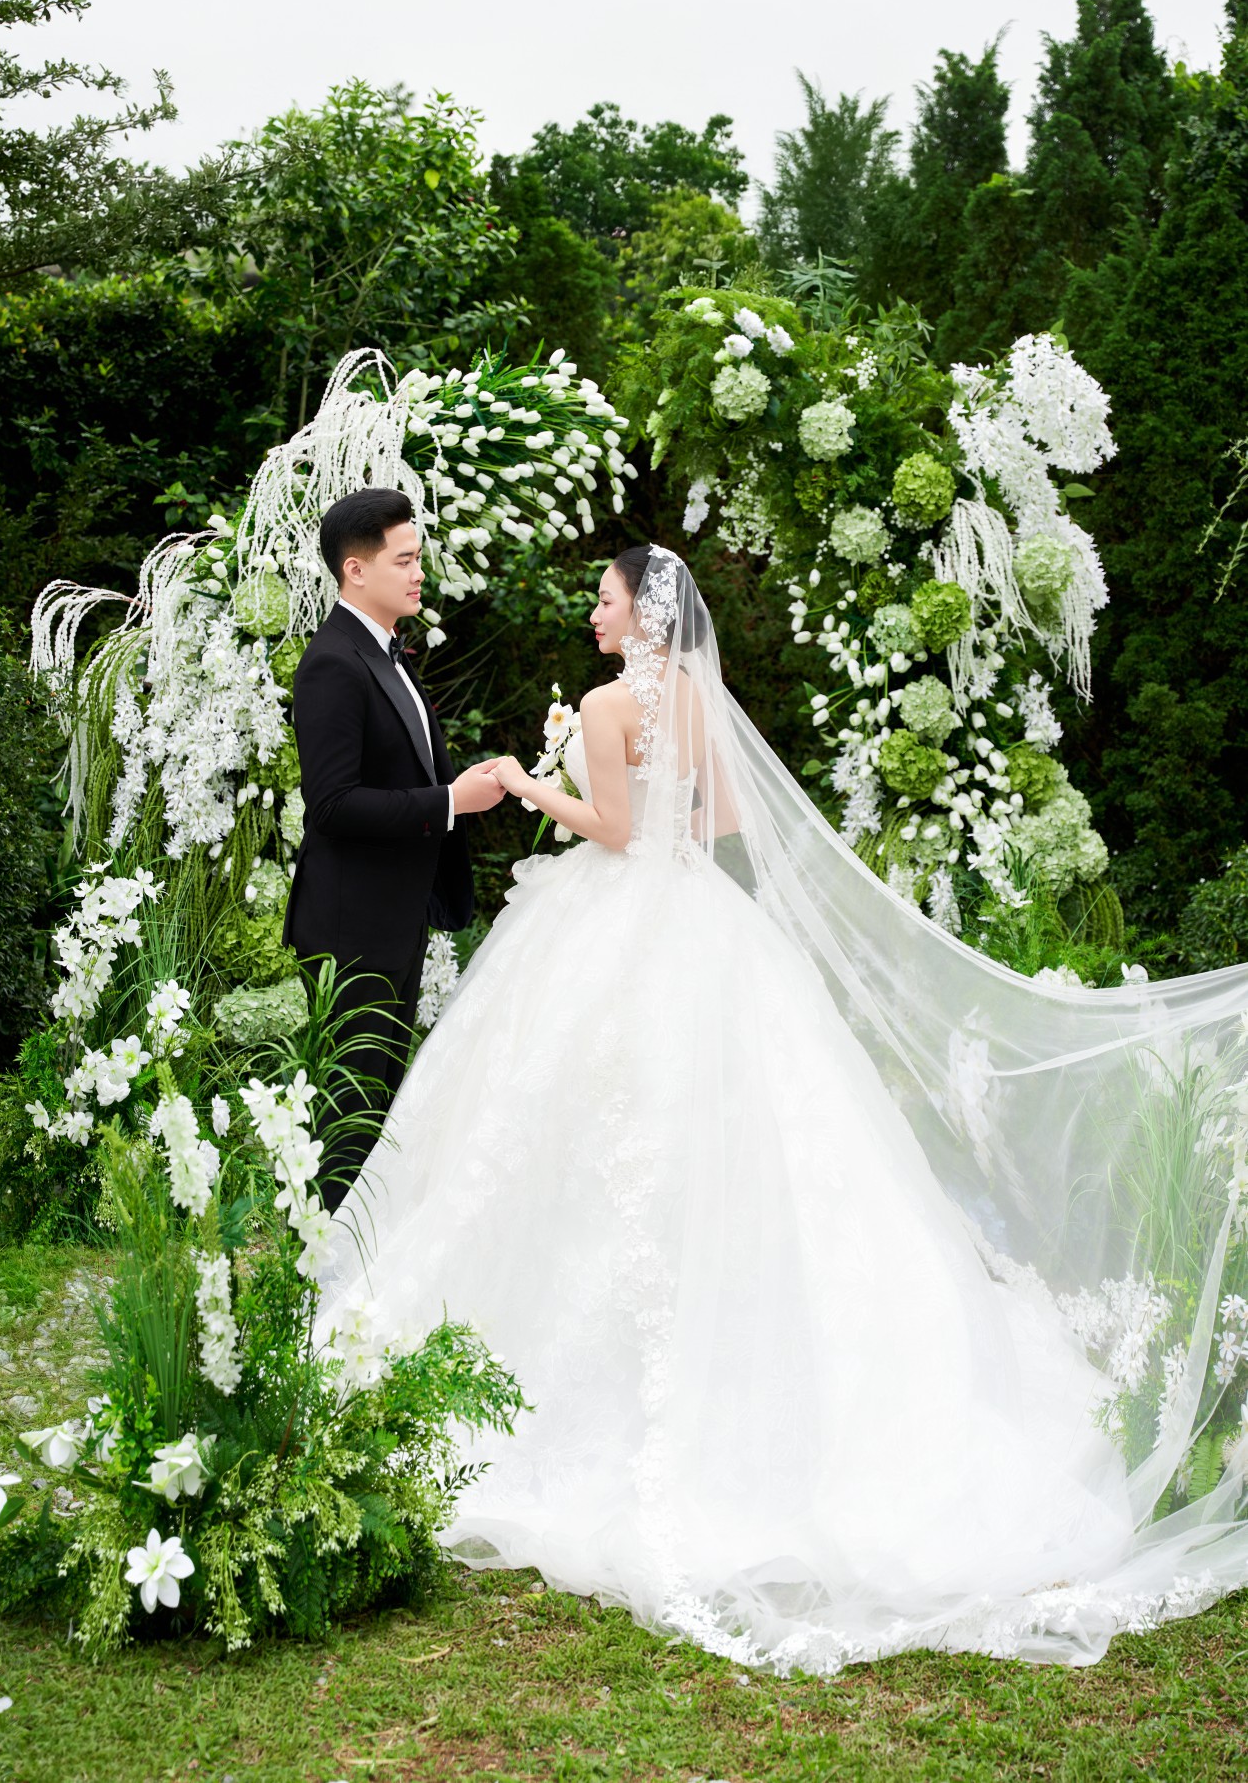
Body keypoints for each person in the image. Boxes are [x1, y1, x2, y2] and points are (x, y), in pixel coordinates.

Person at [316, 543, 1248, 1676]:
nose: (594, 614)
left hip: (616, 920)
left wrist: (525, 784)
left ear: (641, 614)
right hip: (700, 921)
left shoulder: (608, 705)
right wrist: (635, 809)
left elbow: (614, 831)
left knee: (570, 1114)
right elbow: (708, 821)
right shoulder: (698, 701)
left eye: (605, 600)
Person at [282, 486, 505, 1211]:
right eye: (404, 560)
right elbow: (332, 805)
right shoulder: (333, 663)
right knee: (349, 1109)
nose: (418, 572)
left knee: (376, 1101)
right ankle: (323, 1255)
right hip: (351, 926)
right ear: (355, 570)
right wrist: (449, 802)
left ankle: (355, 1252)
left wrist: (455, 788)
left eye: (418, 558)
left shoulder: (384, 653)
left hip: (390, 918)